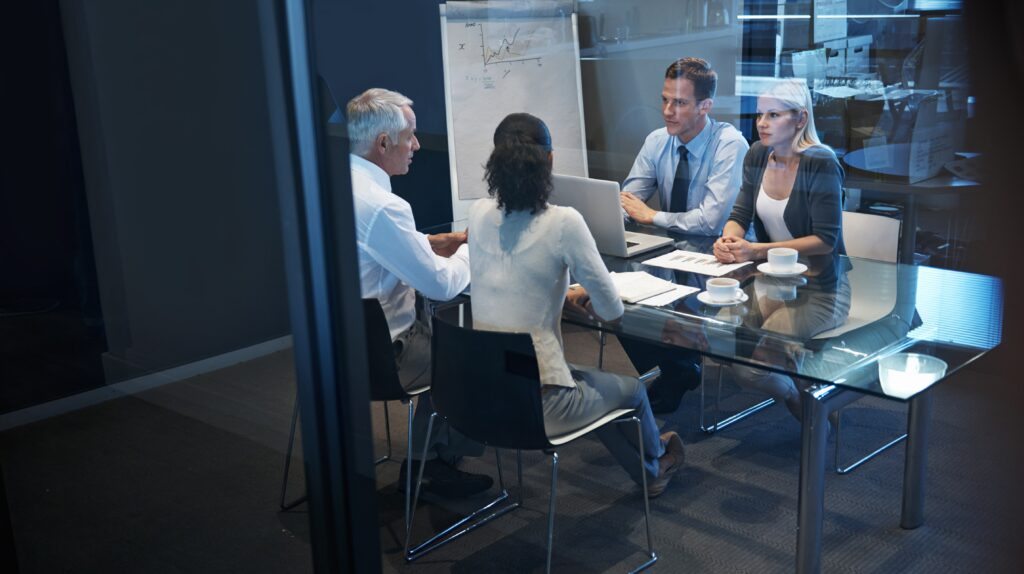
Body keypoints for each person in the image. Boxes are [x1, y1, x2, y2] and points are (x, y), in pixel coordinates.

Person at [467, 113, 685, 498]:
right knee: (631, 390)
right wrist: (578, 295)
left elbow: (513, 279)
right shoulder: (563, 222)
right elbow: (612, 310)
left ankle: (649, 472)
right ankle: (657, 462)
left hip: (482, 390)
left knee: (593, 386)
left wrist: (560, 296)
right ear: (549, 161)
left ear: (495, 160)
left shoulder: (479, 213)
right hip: (539, 405)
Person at [347, 88, 491, 498]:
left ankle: (434, 454)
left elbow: (370, 252)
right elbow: (441, 284)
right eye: (410, 135)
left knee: (453, 338)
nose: (417, 145)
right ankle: (430, 466)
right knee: (479, 350)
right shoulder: (383, 206)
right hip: (386, 358)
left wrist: (430, 243)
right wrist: (470, 248)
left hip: (335, 352)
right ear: (383, 142)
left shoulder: (334, 185)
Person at [617, 58, 749, 414]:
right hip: (670, 254)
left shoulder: (729, 144)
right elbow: (630, 198)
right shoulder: (657, 140)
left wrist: (652, 216)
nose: (667, 111)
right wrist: (608, 213)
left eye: (680, 103)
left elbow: (710, 220)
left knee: (647, 305)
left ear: (705, 106)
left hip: (722, 263)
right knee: (613, 301)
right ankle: (679, 368)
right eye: (664, 100)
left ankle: (677, 370)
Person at [712, 78, 847, 421]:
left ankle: (801, 401)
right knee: (720, 337)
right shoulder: (758, 153)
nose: (762, 123)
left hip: (822, 290)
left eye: (773, 114)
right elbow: (740, 214)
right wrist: (729, 240)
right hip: (771, 283)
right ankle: (800, 385)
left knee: (750, 370)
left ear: (800, 119)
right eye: (759, 114)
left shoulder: (821, 162)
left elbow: (826, 241)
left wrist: (755, 250)